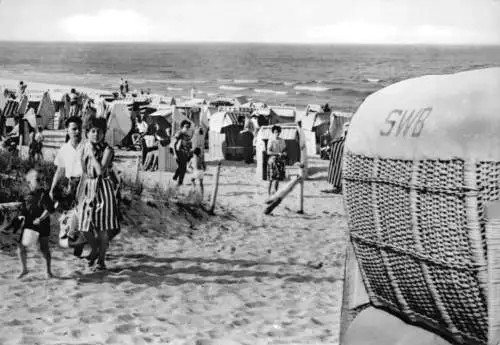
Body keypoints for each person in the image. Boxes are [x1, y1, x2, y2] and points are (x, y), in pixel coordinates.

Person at [78, 117, 120, 271]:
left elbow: (100, 171)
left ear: (104, 133)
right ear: (87, 133)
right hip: (89, 187)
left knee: (102, 228)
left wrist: (92, 155)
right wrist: (79, 192)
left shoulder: (108, 150)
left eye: (99, 131)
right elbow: (84, 171)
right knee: (84, 225)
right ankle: (95, 248)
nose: (95, 134)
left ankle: (101, 260)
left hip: (103, 188)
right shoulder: (85, 147)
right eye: (92, 131)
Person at [49, 116, 85, 257]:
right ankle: (76, 241)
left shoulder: (87, 145)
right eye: (74, 129)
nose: (77, 132)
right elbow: (60, 170)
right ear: (67, 130)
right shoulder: (64, 148)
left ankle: (80, 244)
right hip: (71, 184)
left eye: (79, 129)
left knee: (82, 215)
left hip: (86, 183)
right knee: (68, 216)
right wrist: (52, 188)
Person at [17, 169, 55, 279]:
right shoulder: (25, 194)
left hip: (42, 224)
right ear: (29, 182)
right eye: (37, 179)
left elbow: (49, 209)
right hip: (29, 223)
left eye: (40, 179)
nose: (40, 181)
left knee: (44, 248)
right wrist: (21, 216)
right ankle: (24, 270)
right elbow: (22, 208)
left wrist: (40, 218)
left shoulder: (44, 194)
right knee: (21, 247)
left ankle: (48, 271)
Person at [326, 122, 349, 193]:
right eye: (345, 129)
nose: (346, 130)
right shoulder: (339, 139)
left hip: (345, 157)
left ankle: (341, 187)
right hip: (338, 157)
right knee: (336, 169)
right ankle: (336, 186)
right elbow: (338, 140)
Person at [267, 125, 287, 196]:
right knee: (271, 178)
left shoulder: (282, 140)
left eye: (278, 132)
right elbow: (268, 152)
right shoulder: (271, 140)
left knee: (278, 178)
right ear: (273, 132)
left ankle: (275, 193)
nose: (277, 133)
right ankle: (269, 194)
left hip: (280, 161)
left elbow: (284, 150)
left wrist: (284, 153)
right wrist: (277, 153)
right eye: (275, 132)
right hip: (272, 160)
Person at [172, 120, 193, 186]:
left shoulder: (188, 136)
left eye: (188, 127)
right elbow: (173, 144)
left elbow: (190, 146)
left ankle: (175, 177)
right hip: (179, 153)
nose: (187, 128)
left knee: (182, 167)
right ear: (182, 126)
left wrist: (190, 156)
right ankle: (180, 182)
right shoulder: (179, 133)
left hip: (186, 154)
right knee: (183, 168)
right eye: (186, 126)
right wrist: (175, 154)